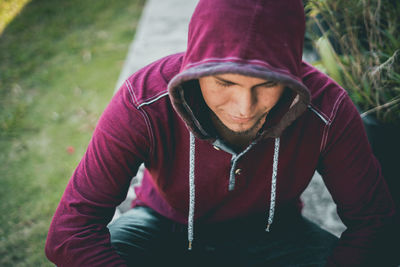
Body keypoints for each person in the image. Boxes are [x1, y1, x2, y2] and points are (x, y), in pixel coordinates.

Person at [45, 0, 397, 266]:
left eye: (267, 84)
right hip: (163, 225)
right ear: (196, 70)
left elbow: (374, 222)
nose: (243, 108)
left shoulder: (328, 107)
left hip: (277, 233)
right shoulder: (144, 100)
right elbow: (69, 233)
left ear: (293, 70)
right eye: (224, 82)